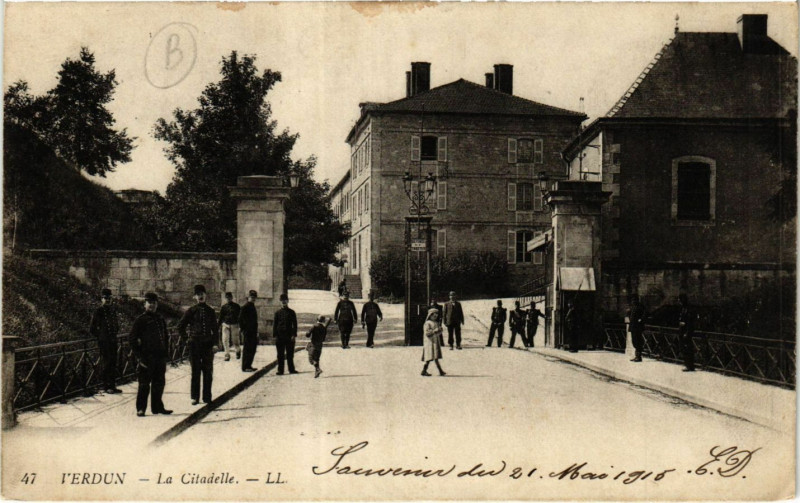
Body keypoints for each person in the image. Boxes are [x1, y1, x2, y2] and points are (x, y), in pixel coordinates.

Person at [129, 292, 172, 416]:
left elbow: (165, 337)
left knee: (159, 383)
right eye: (149, 303)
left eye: (154, 303)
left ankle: (157, 407)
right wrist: (139, 356)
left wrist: (166, 354)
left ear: (157, 304)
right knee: (144, 384)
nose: (152, 305)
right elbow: (132, 339)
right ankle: (141, 408)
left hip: (159, 357)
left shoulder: (160, 319)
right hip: (146, 358)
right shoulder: (140, 320)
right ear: (145, 304)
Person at [177, 284, 218, 405]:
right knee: (195, 371)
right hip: (194, 345)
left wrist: (215, 344)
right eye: (198, 294)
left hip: (207, 346)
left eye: (202, 294)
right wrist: (187, 340)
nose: (200, 296)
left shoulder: (210, 311)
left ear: (206, 295)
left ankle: (207, 397)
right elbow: (181, 326)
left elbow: (215, 330)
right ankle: (195, 397)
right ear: (195, 297)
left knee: (208, 371)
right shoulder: (191, 311)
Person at [89, 288, 121, 394]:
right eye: (106, 298)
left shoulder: (112, 310)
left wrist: (114, 332)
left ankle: (112, 385)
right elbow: (92, 328)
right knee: (106, 363)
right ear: (102, 299)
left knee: (113, 362)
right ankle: (106, 386)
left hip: (113, 340)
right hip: (104, 342)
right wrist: (101, 337)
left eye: (109, 298)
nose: (108, 300)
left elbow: (116, 325)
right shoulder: (99, 311)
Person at [273, 293, 298, 375]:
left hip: (289, 335)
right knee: (280, 354)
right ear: (280, 302)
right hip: (280, 336)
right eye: (282, 301)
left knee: (290, 354)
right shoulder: (277, 313)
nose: (284, 302)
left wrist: (294, 335)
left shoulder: (292, 312)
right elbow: (275, 325)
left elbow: (295, 325)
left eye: (285, 301)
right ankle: (280, 370)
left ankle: (291, 369)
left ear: (288, 301)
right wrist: (275, 336)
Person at [421, 309, 446, 376]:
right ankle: (425, 370)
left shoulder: (436, 323)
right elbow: (427, 333)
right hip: (429, 342)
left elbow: (438, 333)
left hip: (435, 342)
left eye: (436, 315)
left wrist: (440, 330)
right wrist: (435, 330)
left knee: (435, 357)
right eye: (434, 315)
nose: (435, 316)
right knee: (430, 358)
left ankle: (440, 371)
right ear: (430, 315)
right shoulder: (427, 323)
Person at [217, 292, 241, 361]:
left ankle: (238, 351)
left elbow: (240, 317)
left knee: (235, 340)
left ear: (232, 298)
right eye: (227, 298)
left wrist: (241, 325)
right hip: (225, 324)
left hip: (234, 324)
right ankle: (227, 355)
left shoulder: (237, 306)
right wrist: (218, 326)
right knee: (225, 340)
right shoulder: (224, 307)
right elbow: (221, 317)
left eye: (229, 297)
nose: (228, 299)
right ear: (225, 298)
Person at [239, 290, 259, 372]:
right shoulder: (245, 307)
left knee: (252, 348)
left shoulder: (252, 306)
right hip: (248, 332)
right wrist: (244, 329)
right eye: (252, 297)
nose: (253, 299)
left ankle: (249, 365)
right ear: (248, 297)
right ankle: (245, 366)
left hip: (253, 331)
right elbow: (240, 319)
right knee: (247, 348)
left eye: (254, 297)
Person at [678, 294, 697, 372]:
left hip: (686, 332)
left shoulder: (688, 309)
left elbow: (690, 322)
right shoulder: (683, 308)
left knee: (687, 349)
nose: (678, 301)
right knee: (684, 349)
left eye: (679, 300)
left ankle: (690, 366)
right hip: (682, 331)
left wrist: (687, 332)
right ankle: (687, 365)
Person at [628, 295, 646, 363]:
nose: (633, 301)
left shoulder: (640, 307)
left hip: (638, 327)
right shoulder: (633, 307)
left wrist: (640, 320)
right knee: (634, 341)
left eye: (634, 300)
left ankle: (638, 356)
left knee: (638, 341)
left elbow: (644, 314)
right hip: (633, 326)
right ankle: (636, 355)